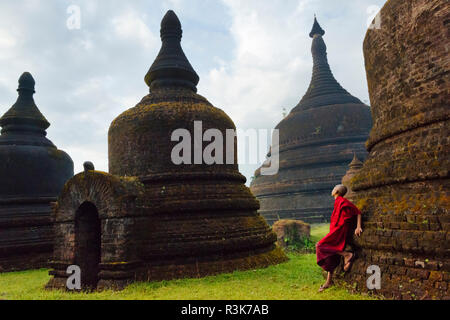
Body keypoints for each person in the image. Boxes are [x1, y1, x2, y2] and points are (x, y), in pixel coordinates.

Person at [316, 184, 362, 292]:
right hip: (334, 230)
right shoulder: (337, 202)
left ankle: (347, 254)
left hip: (339, 231)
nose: (332, 190)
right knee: (331, 255)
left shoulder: (343, 201)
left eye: (333, 188)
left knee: (320, 246)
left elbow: (358, 212)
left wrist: (358, 227)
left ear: (336, 190)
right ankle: (328, 282)